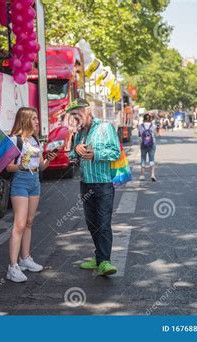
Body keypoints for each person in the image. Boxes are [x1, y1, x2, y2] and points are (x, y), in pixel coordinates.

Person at [68, 99, 121, 276]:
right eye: (73, 114)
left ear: (88, 111)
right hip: (85, 184)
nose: (75, 117)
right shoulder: (79, 134)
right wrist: (75, 150)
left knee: (103, 223)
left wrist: (95, 154)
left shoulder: (105, 128)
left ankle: (105, 261)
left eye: (78, 113)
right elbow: (71, 158)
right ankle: (99, 257)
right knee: (92, 224)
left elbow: (116, 152)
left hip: (103, 183)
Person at [5, 107, 57, 283]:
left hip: (35, 181)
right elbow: (8, 167)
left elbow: (41, 166)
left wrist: (49, 158)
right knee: (18, 225)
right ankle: (12, 267)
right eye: (34, 118)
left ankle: (25, 259)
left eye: (37, 118)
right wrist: (20, 165)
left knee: (29, 223)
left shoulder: (35, 140)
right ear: (25, 120)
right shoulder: (15, 140)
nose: (37, 121)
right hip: (20, 181)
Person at [138, 113, 157, 181]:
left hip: (143, 144)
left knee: (143, 159)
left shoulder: (140, 126)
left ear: (144, 118)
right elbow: (155, 134)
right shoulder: (153, 126)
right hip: (152, 144)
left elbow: (139, 135)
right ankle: (152, 175)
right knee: (151, 159)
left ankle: (142, 175)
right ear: (150, 119)